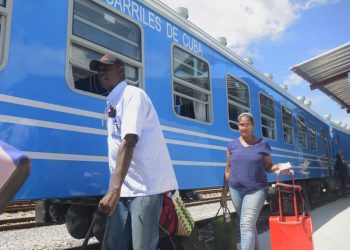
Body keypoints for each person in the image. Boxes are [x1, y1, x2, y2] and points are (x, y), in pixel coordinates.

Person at [89, 54, 178, 250]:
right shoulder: (112, 101)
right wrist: (116, 188)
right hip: (126, 187)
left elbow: (129, 141)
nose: (101, 72)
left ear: (121, 70)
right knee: (115, 245)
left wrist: (113, 190)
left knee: (142, 247)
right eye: (98, 69)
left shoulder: (133, 95)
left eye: (106, 68)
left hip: (145, 188)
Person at [220, 112, 289, 250]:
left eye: (247, 125)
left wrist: (279, 167)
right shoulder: (231, 145)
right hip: (236, 190)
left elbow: (268, 166)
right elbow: (228, 170)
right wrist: (224, 193)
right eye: (241, 125)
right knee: (248, 224)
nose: (244, 128)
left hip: (256, 190)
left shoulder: (262, 144)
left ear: (253, 126)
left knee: (246, 224)